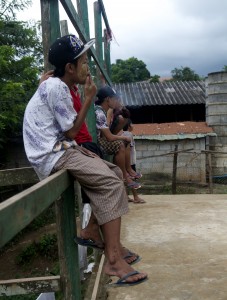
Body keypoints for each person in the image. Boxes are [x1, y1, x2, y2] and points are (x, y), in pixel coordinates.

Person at [23, 34, 147, 285]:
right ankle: (114, 261)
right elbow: (70, 130)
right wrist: (89, 97)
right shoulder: (56, 87)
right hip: (51, 153)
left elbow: (67, 133)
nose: (87, 67)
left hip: (61, 147)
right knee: (112, 184)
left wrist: (77, 147)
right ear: (70, 67)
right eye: (84, 62)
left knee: (113, 173)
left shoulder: (59, 86)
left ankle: (94, 232)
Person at [95, 86, 142, 189]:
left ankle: (127, 171)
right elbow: (109, 137)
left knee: (124, 140)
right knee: (121, 143)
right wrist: (124, 138)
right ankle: (125, 176)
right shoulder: (100, 113)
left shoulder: (101, 110)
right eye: (115, 98)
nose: (116, 101)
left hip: (101, 140)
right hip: (97, 143)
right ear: (108, 99)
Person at [123, 119, 146, 204]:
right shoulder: (129, 134)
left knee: (124, 178)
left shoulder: (122, 134)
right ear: (128, 126)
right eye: (132, 124)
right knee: (132, 178)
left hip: (124, 161)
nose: (133, 126)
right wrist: (129, 165)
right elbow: (129, 149)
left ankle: (126, 197)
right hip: (130, 161)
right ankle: (136, 197)